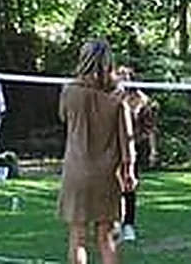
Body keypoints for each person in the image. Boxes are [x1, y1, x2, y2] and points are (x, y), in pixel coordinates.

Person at [57, 38, 137, 264]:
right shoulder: (118, 96)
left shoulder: (69, 91)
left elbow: (64, 118)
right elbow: (127, 139)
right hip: (107, 174)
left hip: (76, 171)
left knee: (77, 238)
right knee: (106, 237)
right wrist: (129, 170)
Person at [115, 64, 157, 242]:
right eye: (119, 75)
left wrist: (153, 150)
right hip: (113, 147)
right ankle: (114, 224)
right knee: (112, 187)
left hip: (133, 148)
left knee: (129, 187)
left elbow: (150, 129)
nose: (122, 78)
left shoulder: (142, 100)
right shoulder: (112, 98)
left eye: (125, 75)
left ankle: (129, 225)